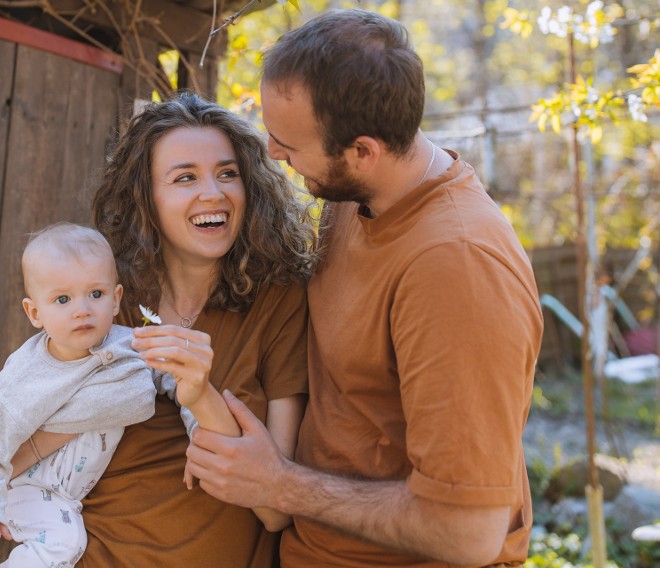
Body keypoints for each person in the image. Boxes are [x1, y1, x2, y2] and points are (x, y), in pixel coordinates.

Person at [186, 9, 544, 567]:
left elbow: (468, 534)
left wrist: (278, 484)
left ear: (362, 151)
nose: (274, 153)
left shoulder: (458, 270)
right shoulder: (361, 195)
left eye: (290, 144)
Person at [0, 92, 317, 567]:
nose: (212, 192)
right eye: (184, 177)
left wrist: (199, 396)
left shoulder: (279, 301)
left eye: (227, 173)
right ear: (146, 197)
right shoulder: (101, 300)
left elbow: (275, 512)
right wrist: (117, 400)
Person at [0, 222, 232, 566]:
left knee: (69, 541)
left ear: (116, 300)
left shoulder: (131, 345)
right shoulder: (26, 374)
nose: (82, 309)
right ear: (34, 313)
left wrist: (199, 435)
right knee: (64, 542)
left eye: (96, 294)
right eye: (62, 299)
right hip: (25, 487)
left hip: (68, 495)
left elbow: (181, 383)